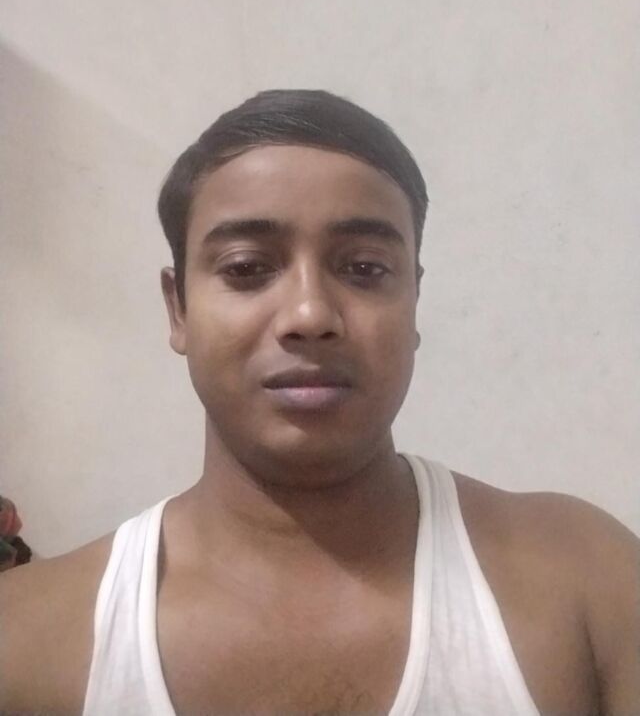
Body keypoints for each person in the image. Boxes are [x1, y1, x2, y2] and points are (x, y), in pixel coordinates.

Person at [0, 90, 638, 715]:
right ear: (179, 310)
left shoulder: (587, 583)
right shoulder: (26, 640)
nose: (309, 314)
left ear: (414, 301)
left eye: (364, 269)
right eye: (246, 268)